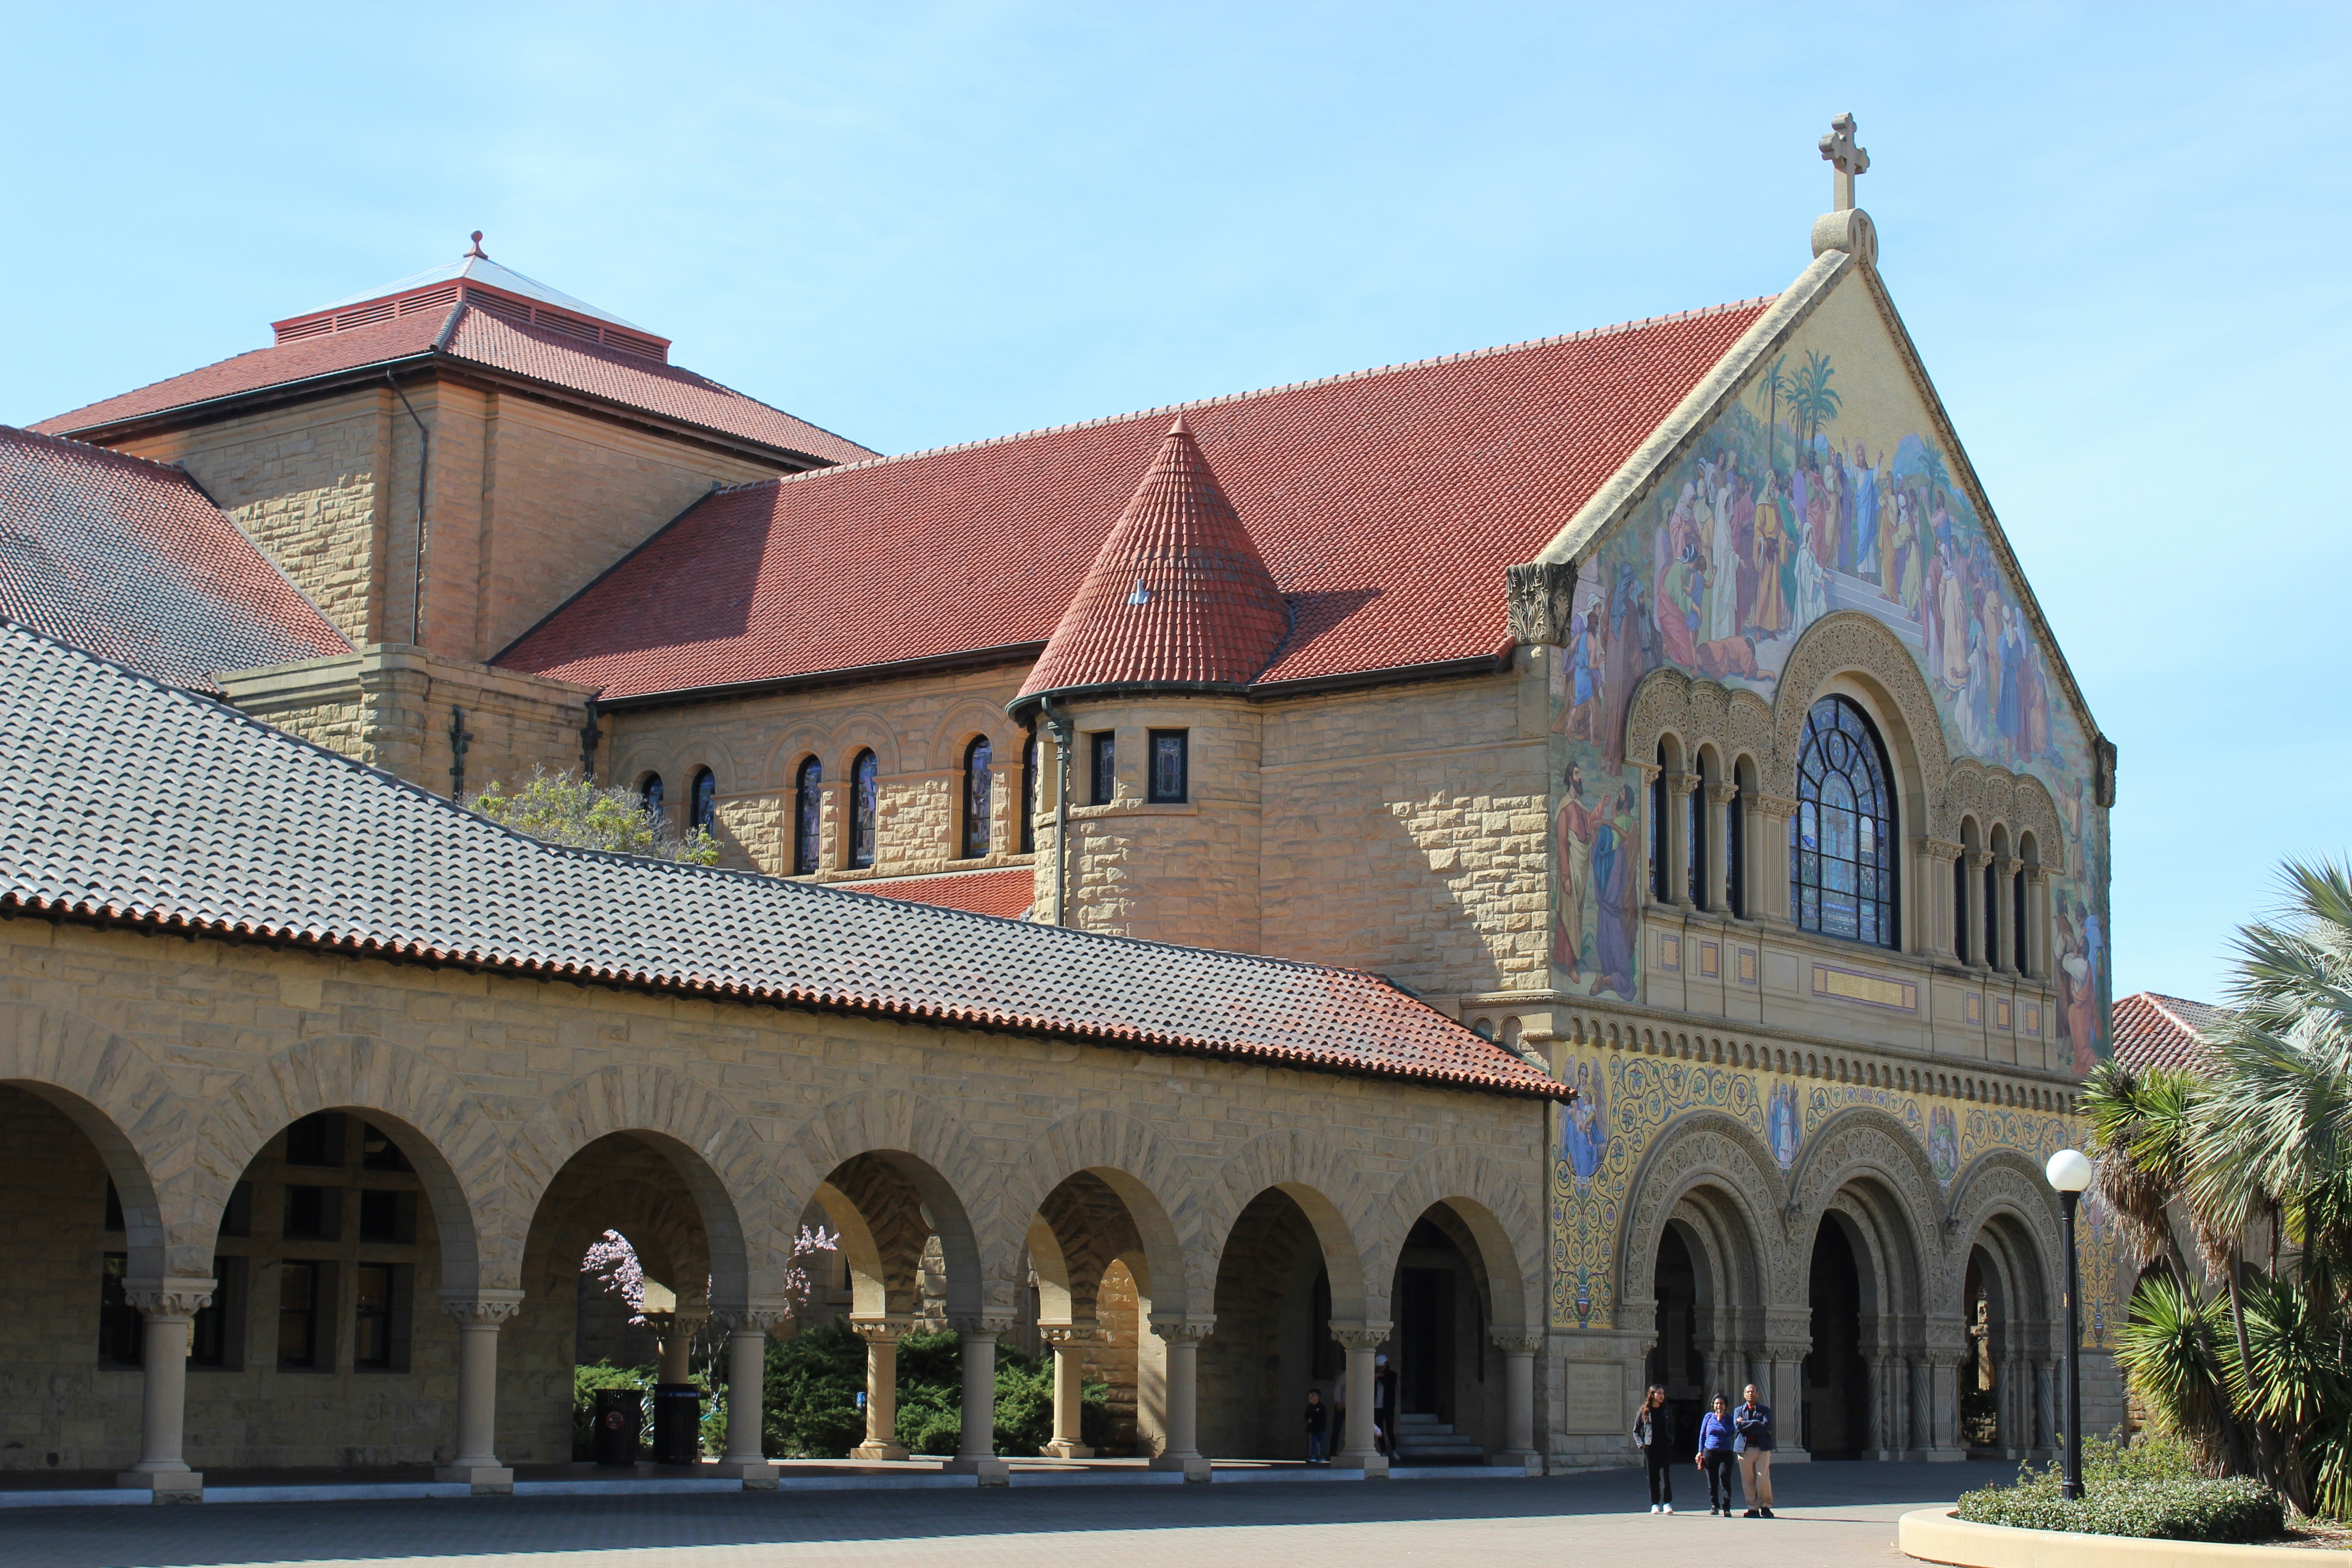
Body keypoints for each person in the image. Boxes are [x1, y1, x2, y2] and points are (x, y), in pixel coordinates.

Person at [1733, 1382, 1776, 1518]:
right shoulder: (1739, 1410)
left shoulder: (1765, 1410)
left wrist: (1747, 1424)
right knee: (1748, 1480)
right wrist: (1756, 1423)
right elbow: (1738, 1426)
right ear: (1744, 1395)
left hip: (1761, 1449)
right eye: (1748, 1392)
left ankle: (1765, 1506)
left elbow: (1766, 1427)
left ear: (1758, 1394)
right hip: (1745, 1449)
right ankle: (1752, 1508)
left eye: (1753, 1392)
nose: (1750, 1394)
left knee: (1763, 1478)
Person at [1632, 1385, 1676, 1514]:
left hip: (1664, 1447)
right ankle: (1655, 1503)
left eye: (1663, 1393)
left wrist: (1671, 1441)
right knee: (1652, 1476)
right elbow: (1636, 1431)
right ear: (1652, 1395)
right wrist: (1642, 1444)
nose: (1662, 1396)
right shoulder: (1645, 1411)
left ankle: (1667, 1503)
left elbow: (1671, 1427)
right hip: (1650, 1448)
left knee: (1665, 1476)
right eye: (1659, 1393)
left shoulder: (1666, 1410)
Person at [1694, 1393, 1736, 1515]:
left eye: (1722, 1404)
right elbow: (1702, 1434)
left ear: (1725, 1406)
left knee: (1724, 1477)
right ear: (1714, 1405)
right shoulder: (1708, 1417)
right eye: (1717, 1403)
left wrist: (1721, 1421)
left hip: (1725, 1453)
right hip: (1710, 1452)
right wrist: (1700, 1451)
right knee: (1712, 1481)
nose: (1719, 1406)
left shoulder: (1729, 1419)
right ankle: (1715, 1505)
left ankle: (1727, 1507)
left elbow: (1731, 1433)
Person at [1303, 1387, 1330, 1465]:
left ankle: (1322, 1456)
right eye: (1310, 1396)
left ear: (1317, 1397)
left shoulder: (1321, 1407)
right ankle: (1313, 1456)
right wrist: (1308, 1420)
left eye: (1312, 1396)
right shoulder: (1309, 1407)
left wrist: (1314, 1420)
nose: (1310, 1398)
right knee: (1313, 1443)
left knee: (1321, 1443)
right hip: (1313, 1429)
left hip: (1321, 1429)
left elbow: (1322, 1417)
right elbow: (1306, 1416)